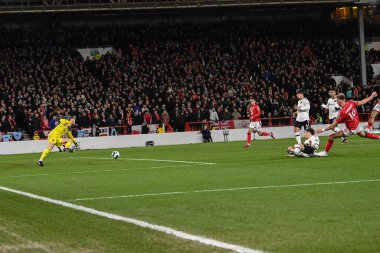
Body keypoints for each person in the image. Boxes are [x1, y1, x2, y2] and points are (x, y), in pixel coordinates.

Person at [315, 92, 379, 157]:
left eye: (337, 100)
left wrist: (322, 130)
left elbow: (333, 125)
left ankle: (325, 152)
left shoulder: (342, 112)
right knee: (363, 135)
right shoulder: (351, 102)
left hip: (351, 129)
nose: (336, 102)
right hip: (357, 125)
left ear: (340, 100)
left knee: (331, 136)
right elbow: (362, 102)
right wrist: (371, 97)